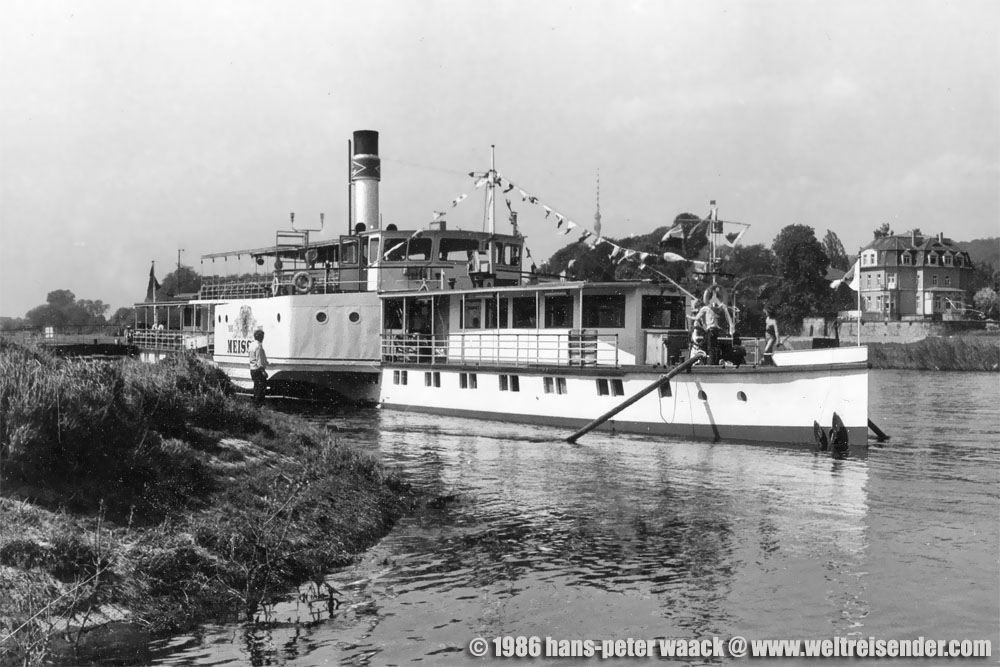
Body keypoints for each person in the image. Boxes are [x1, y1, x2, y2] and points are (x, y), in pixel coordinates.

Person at [694, 295, 735, 365]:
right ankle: (706, 361)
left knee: (711, 348)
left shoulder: (708, 310)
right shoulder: (709, 311)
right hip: (711, 332)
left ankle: (711, 362)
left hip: (712, 332)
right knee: (708, 347)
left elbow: (697, 320)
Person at [248, 329, 268, 407]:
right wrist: (263, 371)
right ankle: (258, 405)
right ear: (261, 337)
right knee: (261, 388)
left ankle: (256, 404)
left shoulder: (251, 345)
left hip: (252, 369)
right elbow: (259, 360)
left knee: (256, 387)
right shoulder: (258, 346)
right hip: (258, 369)